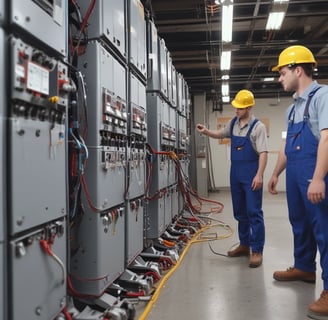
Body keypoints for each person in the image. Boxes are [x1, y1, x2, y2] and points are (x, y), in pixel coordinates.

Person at [268, 45, 328, 319]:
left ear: (298, 70)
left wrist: (317, 177)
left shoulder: (322, 96)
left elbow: (327, 138)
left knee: (324, 228)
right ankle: (304, 267)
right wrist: (275, 172)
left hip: (314, 172)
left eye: (282, 73)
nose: (280, 78)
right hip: (294, 174)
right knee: (299, 222)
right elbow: (285, 145)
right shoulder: (293, 108)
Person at [196, 89, 268, 268]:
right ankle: (244, 245)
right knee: (240, 212)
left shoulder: (258, 127)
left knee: (254, 212)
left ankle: (257, 250)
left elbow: (263, 153)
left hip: (251, 173)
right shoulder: (233, 123)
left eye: (241, 108)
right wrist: (205, 131)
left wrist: (259, 175)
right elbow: (220, 134)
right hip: (235, 173)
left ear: (249, 107)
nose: (237, 110)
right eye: (236, 107)